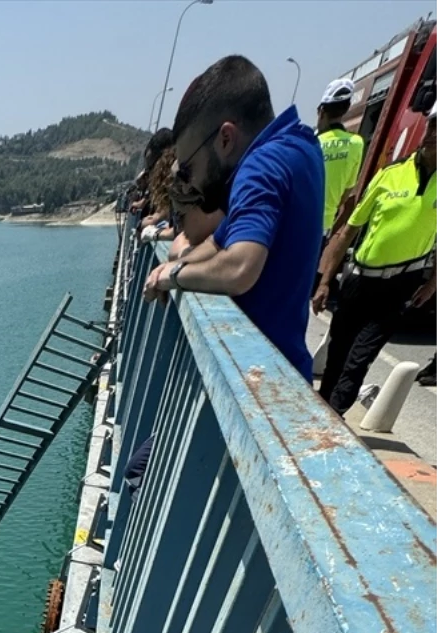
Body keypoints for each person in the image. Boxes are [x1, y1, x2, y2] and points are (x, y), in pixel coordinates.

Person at [143, 55, 324, 380]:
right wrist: (170, 266)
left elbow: (240, 267)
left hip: (262, 382)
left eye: (188, 168)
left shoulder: (260, 167)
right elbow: (219, 241)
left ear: (225, 138)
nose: (191, 183)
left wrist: (175, 277)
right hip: (282, 370)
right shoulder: (300, 144)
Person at [313, 111, 437, 416]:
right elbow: (348, 231)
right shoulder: (390, 174)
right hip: (360, 279)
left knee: (360, 358)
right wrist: (326, 280)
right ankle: (321, 409)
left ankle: (335, 414)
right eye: (433, 125)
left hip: (401, 283)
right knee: (338, 352)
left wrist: (433, 283)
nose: (435, 134)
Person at [316, 79, 364, 238]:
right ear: (347, 109)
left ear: (321, 111)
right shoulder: (356, 144)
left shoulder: (312, 143)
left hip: (296, 221)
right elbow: (347, 193)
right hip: (323, 227)